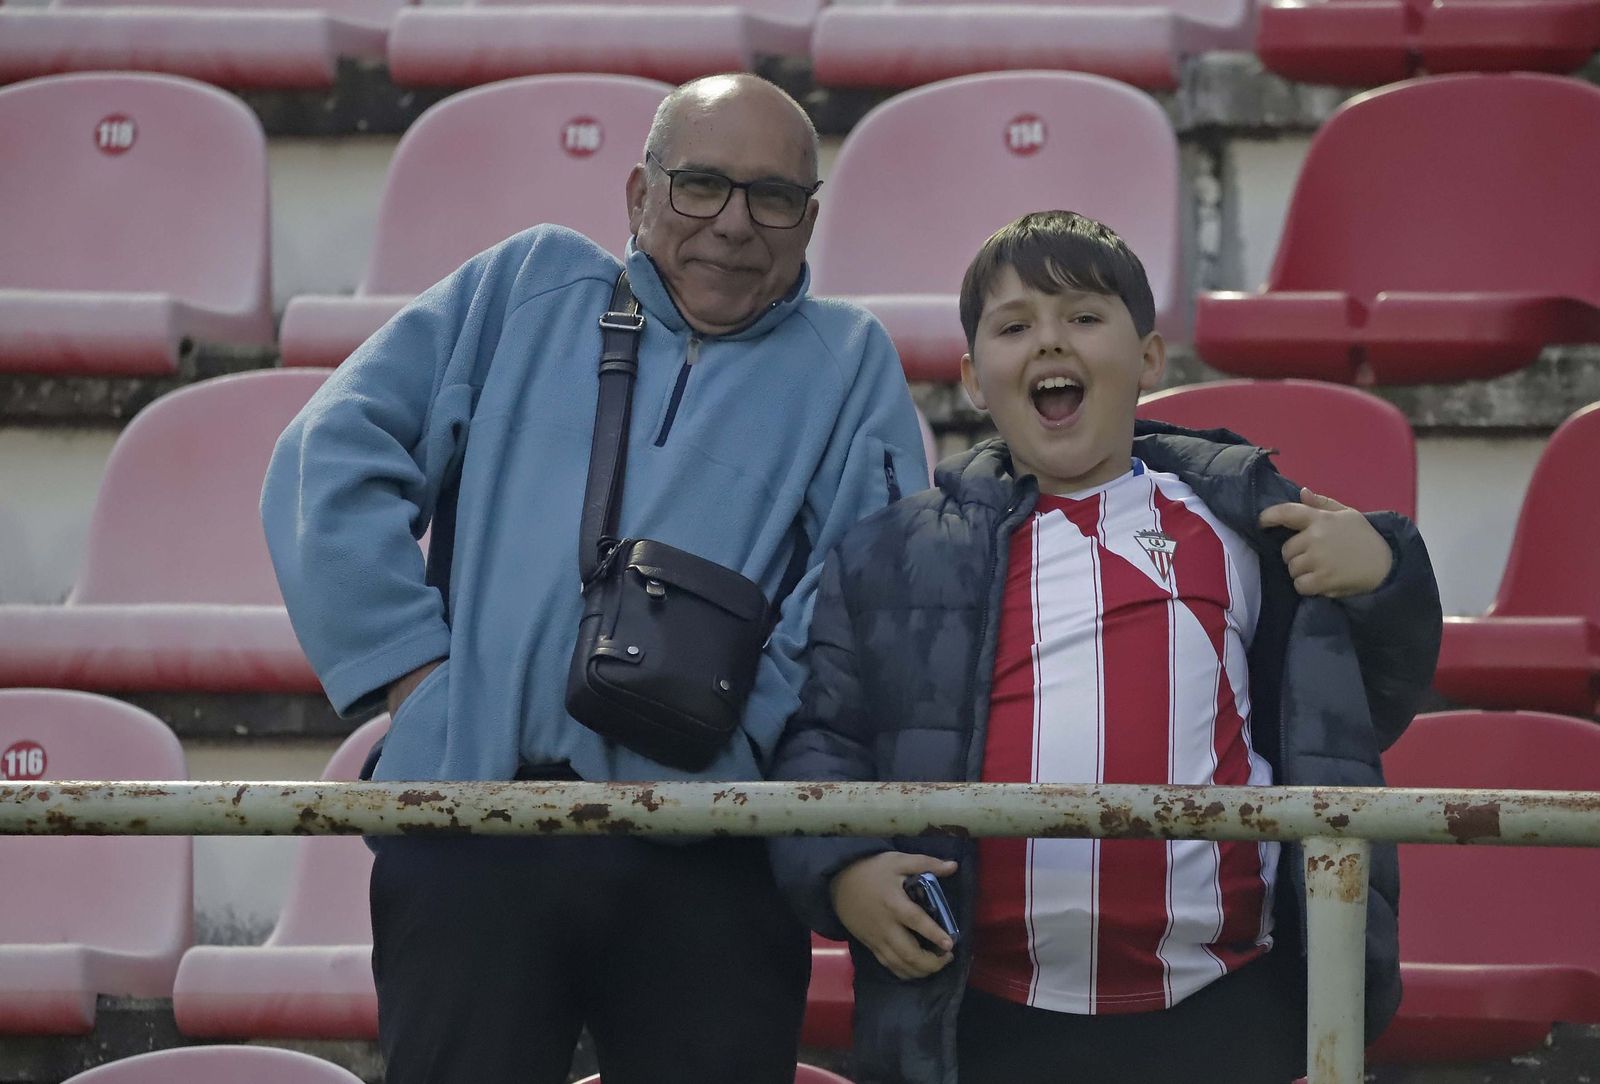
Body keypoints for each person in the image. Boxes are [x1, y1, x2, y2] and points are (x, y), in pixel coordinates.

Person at [260, 74, 927, 1084]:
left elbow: (865, 588)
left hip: (711, 851)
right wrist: (418, 683)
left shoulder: (850, 360)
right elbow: (330, 453)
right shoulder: (524, 283)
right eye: (701, 184)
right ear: (638, 194)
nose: (733, 222)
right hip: (476, 820)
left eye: (772, 197)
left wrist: (742, 744)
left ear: (809, 221)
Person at [768, 210, 1442, 1084]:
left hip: (1226, 1006)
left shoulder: (1247, 525)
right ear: (973, 379)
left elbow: (1366, 702)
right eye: (1015, 327)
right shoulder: (891, 552)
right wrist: (843, 871)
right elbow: (822, 742)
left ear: (1151, 359)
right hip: (980, 1013)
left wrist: (1385, 570)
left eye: (1084, 317)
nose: (1051, 341)